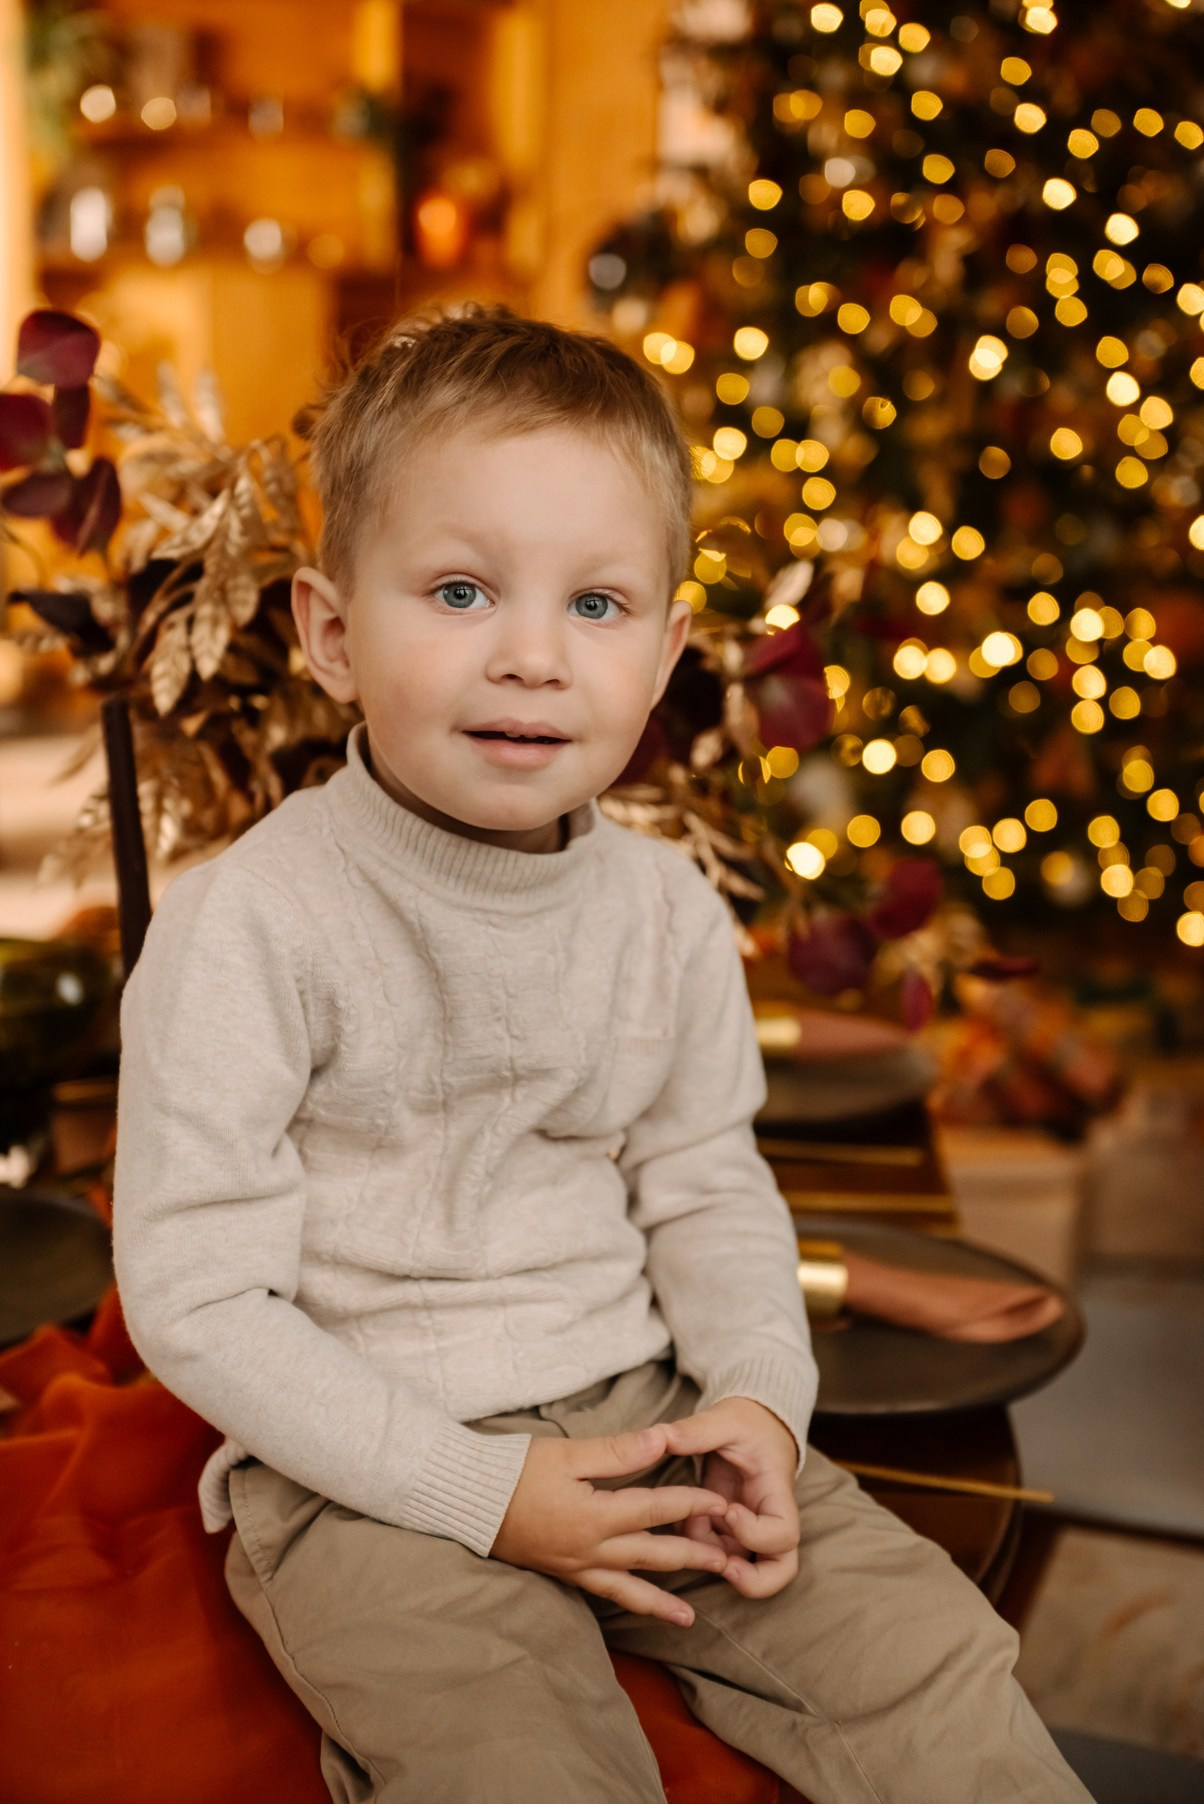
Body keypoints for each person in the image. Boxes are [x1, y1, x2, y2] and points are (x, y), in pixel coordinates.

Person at [112, 304, 1091, 1804]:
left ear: (668, 653)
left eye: (597, 606)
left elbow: (705, 1186)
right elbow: (199, 1297)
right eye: (458, 589)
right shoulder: (248, 925)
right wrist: (484, 1494)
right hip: (367, 1458)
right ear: (329, 632)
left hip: (647, 1413)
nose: (530, 658)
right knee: (515, 1758)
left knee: (926, 1662)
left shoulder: (666, 913)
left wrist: (761, 1401)